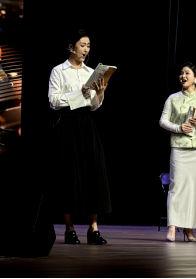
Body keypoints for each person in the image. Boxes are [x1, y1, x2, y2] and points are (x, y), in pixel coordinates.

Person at [47, 28, 112, 245]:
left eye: (88, 46)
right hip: (67, 124)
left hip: (87, 123)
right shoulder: (59, 71)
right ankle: (69, 228)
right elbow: (53, 101)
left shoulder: (90, 72)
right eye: (82, 45)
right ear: (71, 47)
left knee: (93, 173)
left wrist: (100, 93)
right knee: (69, 175)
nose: (86, 50)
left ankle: (93, 228)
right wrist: (79, 93)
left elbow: (94, 106)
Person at [159, 62, 196, 242]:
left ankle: (189, 228)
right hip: (180, 147)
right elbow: (163, 121)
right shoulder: (173, 98)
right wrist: (178, 128)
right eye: (181, 73)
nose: (183, 76)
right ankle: (172, 226)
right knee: (177, 187)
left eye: (187, 73)